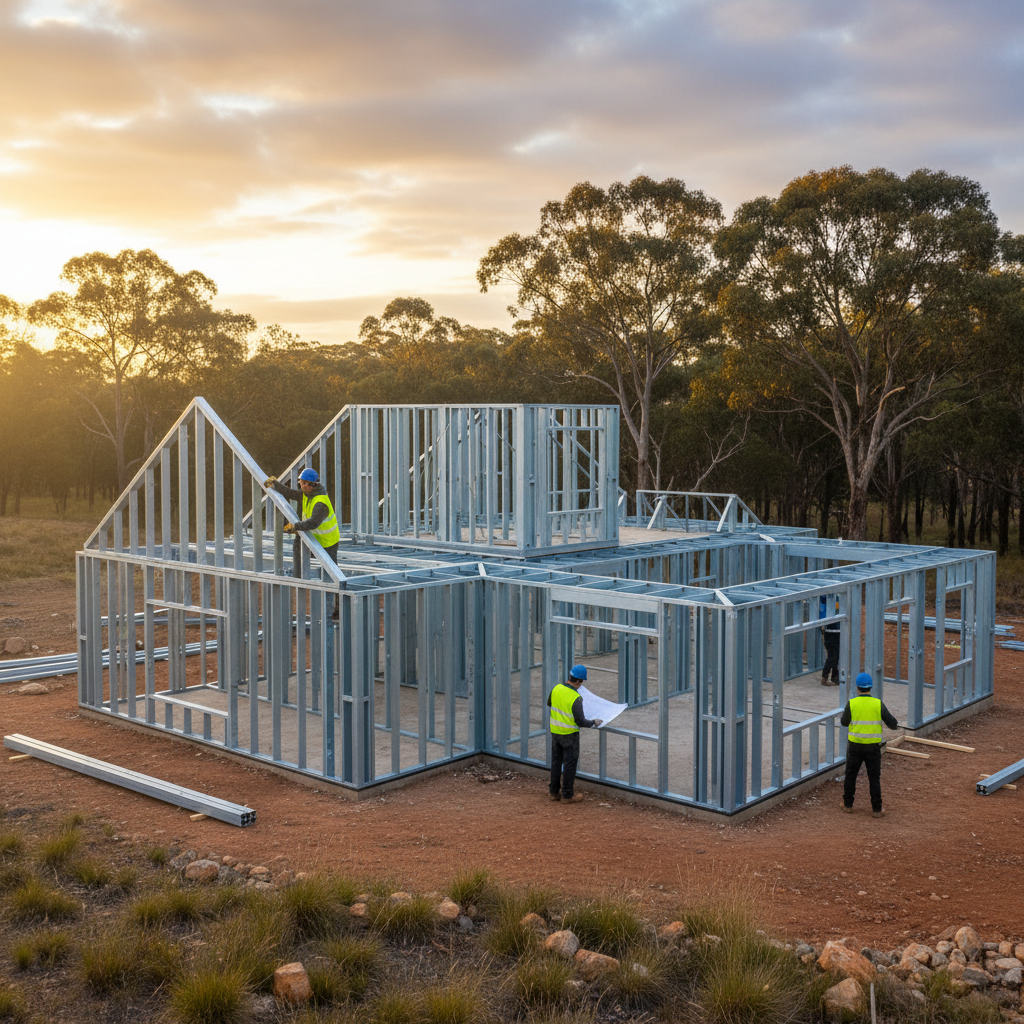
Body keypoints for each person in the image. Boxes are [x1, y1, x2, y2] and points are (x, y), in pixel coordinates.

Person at [264, 468, 340, 616]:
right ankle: (299, 578)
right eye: (301, 482)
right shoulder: (306, 495)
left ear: (313, 485)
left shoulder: (321, 502)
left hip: (328, 542)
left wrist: (295, 526)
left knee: (333, 575)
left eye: (305, 483)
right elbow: (290, 493)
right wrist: (275, 485)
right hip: (313, 539)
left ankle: (337, 609)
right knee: (298, 543)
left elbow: (313, 522)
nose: (302, 486)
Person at [840, 671, 899, 817]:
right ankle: (877, 809)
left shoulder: (852, 703)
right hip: (873, 747)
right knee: (874, 778)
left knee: (851, 775)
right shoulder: (878, 704)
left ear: (857, 687)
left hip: (855, 746)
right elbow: (892, 724)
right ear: (871, 687)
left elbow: (844, 722)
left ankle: (848, 804)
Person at [547, 664, 603, 803]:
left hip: (555, 731)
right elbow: (580, 721)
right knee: (569, 764)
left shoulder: (556, 688)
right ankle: (567, 795)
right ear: (579, 681)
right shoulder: (576, 697)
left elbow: (550, 703)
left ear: (570, 676)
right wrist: (593, 722)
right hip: (569, 734)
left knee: (556, 762)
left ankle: (554, 792)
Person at [820, 594, 840, 686]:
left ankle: (834, 677)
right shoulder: (828, 598)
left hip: (835, 631)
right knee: (832, 656)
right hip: (831, 631)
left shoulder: (837, 598)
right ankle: (825, 677)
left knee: (836, 655)